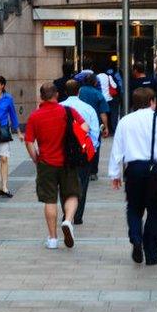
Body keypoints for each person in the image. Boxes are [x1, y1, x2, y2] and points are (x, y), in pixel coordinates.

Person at [110, 87, 157, 265]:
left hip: (134, 169)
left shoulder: (125, 121)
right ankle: (152, 253)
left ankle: (136, 239)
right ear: (152, 102)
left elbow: (118, 150)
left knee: (134, 207)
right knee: (156, 212)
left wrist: (115, 174)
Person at [25, 83, 89, 250]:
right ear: (57, 95)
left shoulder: (35, 116)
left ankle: (52, 239)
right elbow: (85, 127)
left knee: (49, 199)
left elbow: (29, 141)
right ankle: (68, 220)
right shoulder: (67, 111)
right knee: (73, 194)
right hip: (68, 161)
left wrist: (35, 158)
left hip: (46, 162)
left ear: (41, 96)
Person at [61, 80, 100, 225]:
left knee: (64, 183)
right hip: (83, 151)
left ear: (65, 91)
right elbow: (95, 131)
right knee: (82, 183)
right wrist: (93, 149)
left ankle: (67, 213)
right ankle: (77, 216)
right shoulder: (88, 108)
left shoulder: (60, 107)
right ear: (79, 91)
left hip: (64, 151)